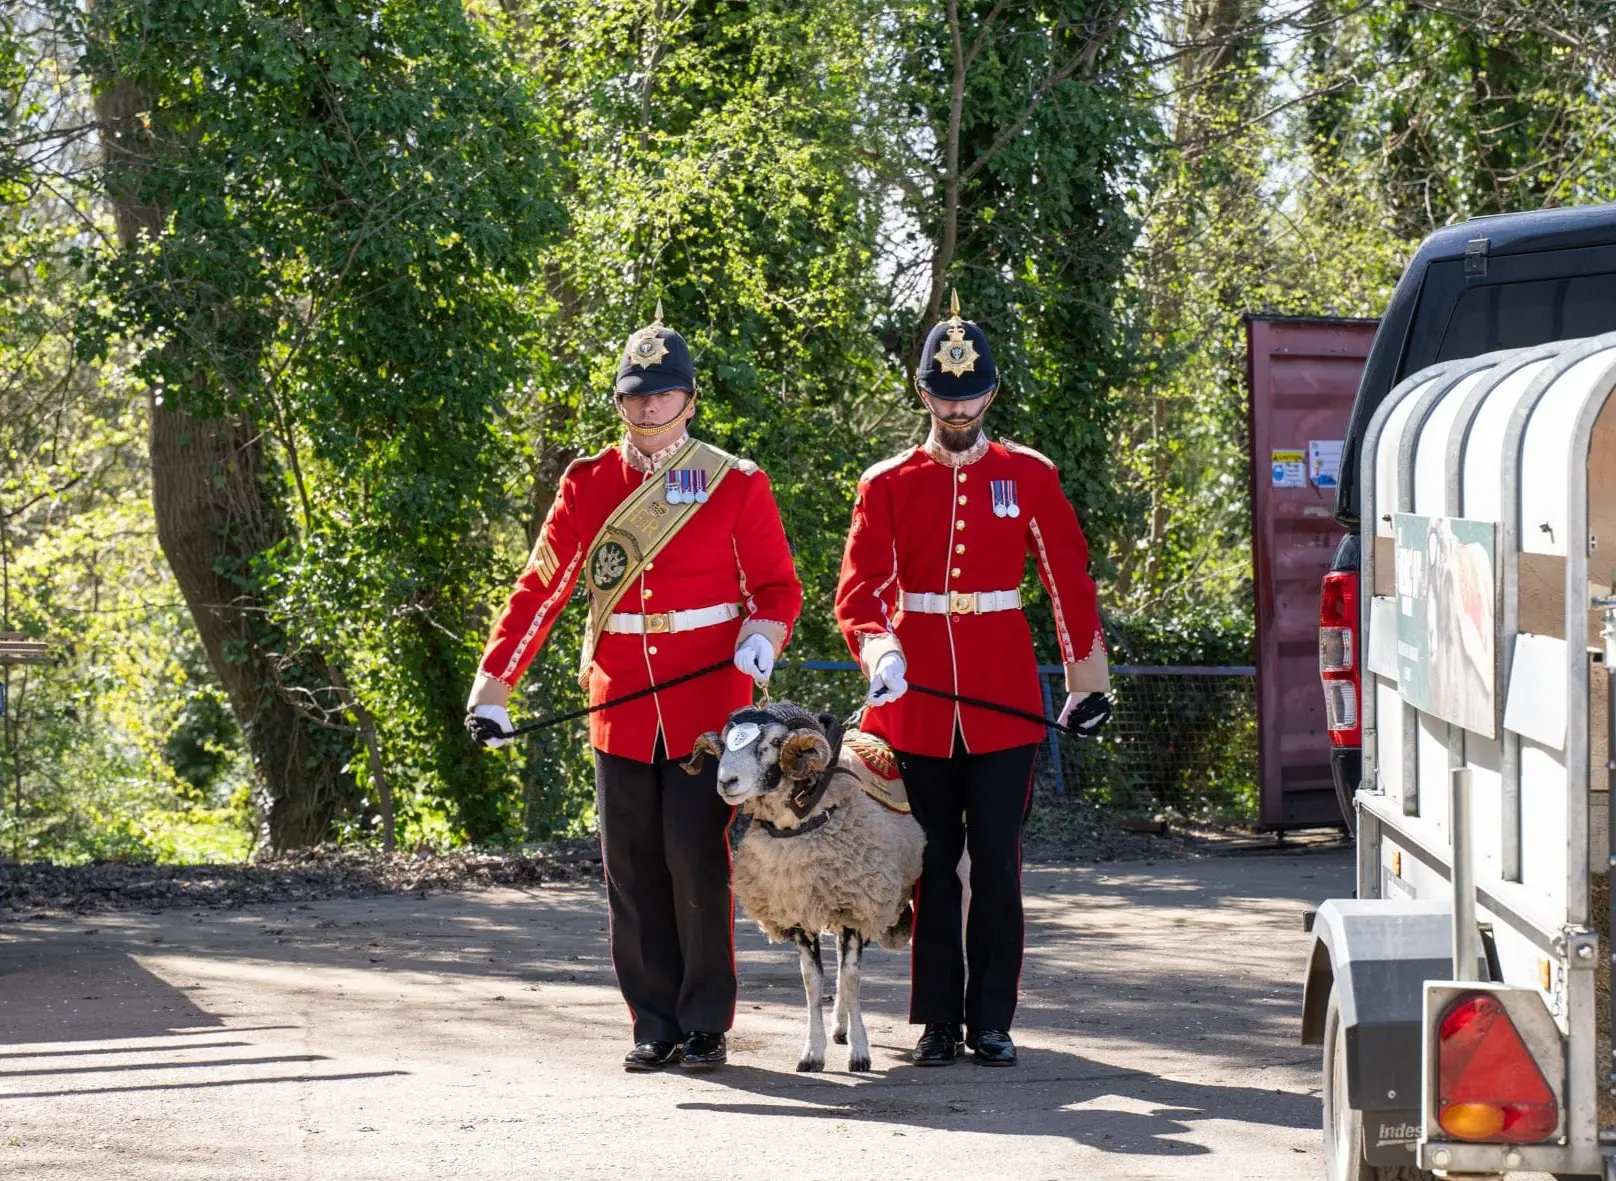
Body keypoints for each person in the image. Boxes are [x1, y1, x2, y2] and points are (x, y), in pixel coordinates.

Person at [466, 306, 803, 1072]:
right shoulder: (589, 483)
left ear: (689, 399)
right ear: (619, 402)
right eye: (634, 396)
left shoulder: (735, 481)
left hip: (706, 704)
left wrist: (759, 641)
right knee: (631, 867)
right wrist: (494, 687)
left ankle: (705, 1017)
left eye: (663, 395)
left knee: (694, 857)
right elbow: (540, 590)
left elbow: (778, 589)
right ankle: (652, 1019)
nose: (648, 409)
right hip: (619, 700)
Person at [833, 292, 1112, 1067]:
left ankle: (992, 1016)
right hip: (917, 701)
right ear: (924, 393)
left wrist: (1086, 682)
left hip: (1003, 700)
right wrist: (879, 649)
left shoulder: (1028, 474)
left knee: (994, 858)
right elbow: (859, 591)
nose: (958, 410)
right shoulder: (886, 482)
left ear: (991, 393)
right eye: (945, 396)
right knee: (932, 860)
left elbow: (1068, 579)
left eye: (971, 396)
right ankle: (936, 1020)